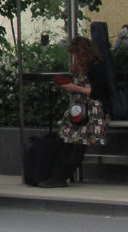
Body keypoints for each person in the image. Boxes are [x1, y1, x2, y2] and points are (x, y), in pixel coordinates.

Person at [38, 36, 111, 188]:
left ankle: (58, 178)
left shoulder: (96, 66)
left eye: (76, 53)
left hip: (90, 112)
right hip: (81, 110)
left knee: (76, 146)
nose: (75, 57)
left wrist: (75, 88)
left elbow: (98, 91)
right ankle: (56, 177)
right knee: (69, 145)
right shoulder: (86, 67)